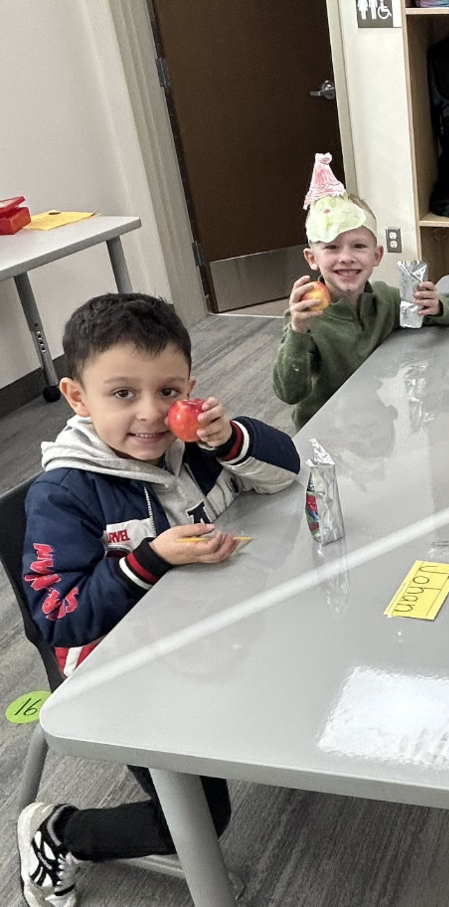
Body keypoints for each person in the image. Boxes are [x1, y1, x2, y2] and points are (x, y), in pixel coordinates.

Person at [19, 292, 301, 907]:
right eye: (122, 394)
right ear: (77, 397)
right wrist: (149, 560)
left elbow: (287, 469)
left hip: (204, 630)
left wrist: (230, 440)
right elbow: (58, 618)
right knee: (199, 818)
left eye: (168, 392)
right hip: (117, 668)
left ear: (190, 389)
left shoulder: (195, 444)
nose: (151, 415)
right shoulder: (64, 494)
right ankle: (59, 832)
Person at [273, 153, 449, 429]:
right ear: (311, 258)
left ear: (376, 255)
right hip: (325, 429)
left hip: (372, 412)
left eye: (358, 246)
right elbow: (289, 393)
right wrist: (297, 330)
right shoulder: (305, 318)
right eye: (331, 247)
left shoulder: (385, 299)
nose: (346, 257)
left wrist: (437, 305)